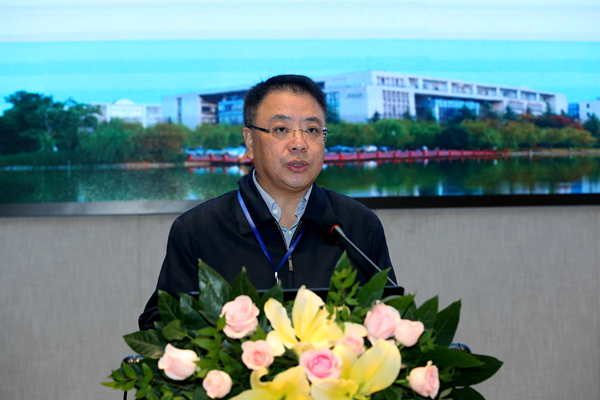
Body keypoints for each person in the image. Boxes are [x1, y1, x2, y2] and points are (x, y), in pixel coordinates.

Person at [139, 75, 396, 330]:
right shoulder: (198, 230)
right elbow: (161, 325)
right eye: (281, 129)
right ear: (250, 142)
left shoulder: (357, 226)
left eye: (312, 130)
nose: (299, 144)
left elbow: (391, 317)